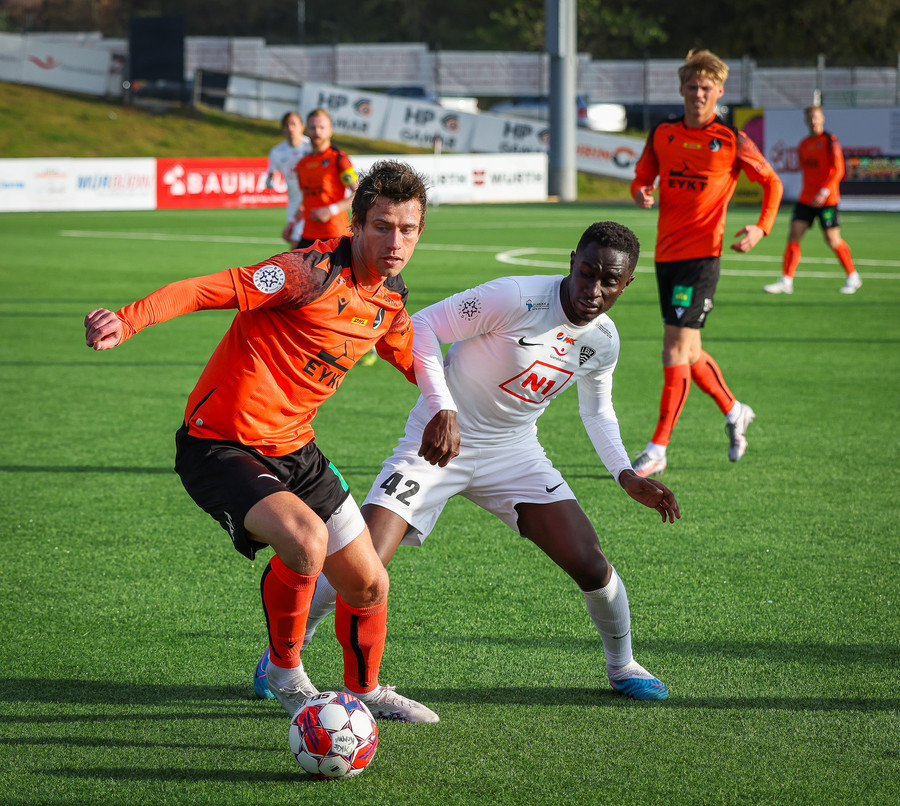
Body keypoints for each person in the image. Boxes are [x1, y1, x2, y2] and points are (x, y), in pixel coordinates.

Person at [258, 221, 681, 701]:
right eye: (587, 272)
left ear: (627, 284)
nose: (594, 289)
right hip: (438, 443)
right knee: (361, 563)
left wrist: (625, 473)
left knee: (590, 562)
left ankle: (623, 666)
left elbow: (597, 410)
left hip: (515, 453)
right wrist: (443, 407)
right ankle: (282, 657)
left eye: (610, 282)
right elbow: (422, 325)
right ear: (572, 262)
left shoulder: (603, 339)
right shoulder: (515, 296)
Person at [83, 160, 439, 723]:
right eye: (381, 227)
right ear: (355, 226)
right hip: (219, 444)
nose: (395, 242)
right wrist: (127, 320)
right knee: (305, 541)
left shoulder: (389, 298)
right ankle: (285, 672)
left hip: (297, 449)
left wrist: (460, 399)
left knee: (370, 584)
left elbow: (411, 357)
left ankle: (366, 690)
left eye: (407, 229)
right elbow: (205, 290)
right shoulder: (306, 272)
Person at [630, 49, 784, 477]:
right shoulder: (662, 133)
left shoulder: (732, 139)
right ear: (681, 88)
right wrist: (640, 192)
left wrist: (761, 228)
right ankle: (735, 411)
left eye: (706, 87)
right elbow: (642, 177)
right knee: (691, 351)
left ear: (719, 91)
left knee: (674, 348)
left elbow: (771, 182)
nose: (698, 93)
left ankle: (658, 448)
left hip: (702, 258)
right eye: (692, 86)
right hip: (666, 255)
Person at [764, 105, 861, 295]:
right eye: (810, 118)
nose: (813, 121)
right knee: (794, 235)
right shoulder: (804, 144)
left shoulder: (830, 141)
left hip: (827, 200)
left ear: (823, 118)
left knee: (832, 239)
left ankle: (853, 276)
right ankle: (786, 280)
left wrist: (824, 191)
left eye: (816, 117)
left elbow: (839, 170)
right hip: (806, 199)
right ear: (806, 120)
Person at [291, 108, 359, 250]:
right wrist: (292, 223)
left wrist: (330, 210)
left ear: (330, 131)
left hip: (335, 236)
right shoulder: (302, 164)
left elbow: (358, 193)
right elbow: (307, 197)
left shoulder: (339, 159)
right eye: (313, 127)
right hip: (308, 235)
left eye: (322, 127)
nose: (317, 131)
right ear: (306, 130)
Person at [264, 111, 313, 245]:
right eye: (286, 125)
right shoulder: (277, 151)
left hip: (312, 201)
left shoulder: (311, 147)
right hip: (294, 203)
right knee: (297, 246)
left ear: (302, 126)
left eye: (293, 124)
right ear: (283, 129)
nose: (290, 128)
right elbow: (269, 182)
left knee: (297, 245)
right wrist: (271, 179)